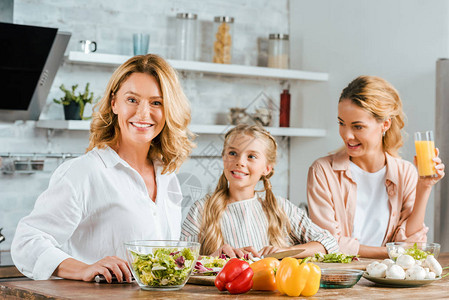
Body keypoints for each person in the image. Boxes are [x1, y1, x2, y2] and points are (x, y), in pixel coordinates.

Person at [11, 54, 195, 282]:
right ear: (114, 102)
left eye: (156, 102)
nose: (143, 113)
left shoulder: (167, 176)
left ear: (168, 110)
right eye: (132, 100)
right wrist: (81, 269)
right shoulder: (85, 172)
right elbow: (27, 241)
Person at [307, 75, 445, 258]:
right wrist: (391, 253)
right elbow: (328, 243)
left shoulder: (405, 172)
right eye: (342, 123)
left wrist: (425, 187)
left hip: (391, 280)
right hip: (342, 279)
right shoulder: (323, 171)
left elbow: (413, 240)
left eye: (357, 127)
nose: (347, 135)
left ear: (385, 124)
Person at [181, 125, 338, 258]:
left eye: (251, 156)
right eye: (233, 153)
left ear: (267, 168)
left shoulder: (281, 208)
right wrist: (214, 257)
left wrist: (287, 251)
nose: (240, 162)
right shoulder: (201, 210)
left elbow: (329, 242)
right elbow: (180, 261)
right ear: (223, 157)